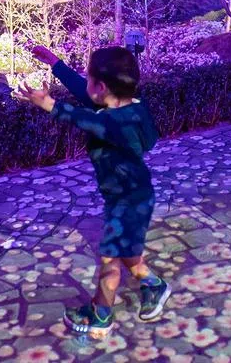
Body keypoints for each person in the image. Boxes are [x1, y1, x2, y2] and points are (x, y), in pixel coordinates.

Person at [19, 43, 170, 339]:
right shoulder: (133, 108)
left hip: (127, 203)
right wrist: (56, 63)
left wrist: (46, 103)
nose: (85, 82)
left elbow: (81, 117)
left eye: (89, 78)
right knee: (128, 256)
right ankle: (154, 285)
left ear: (101, 87)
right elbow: (86, 96)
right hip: (134, 195)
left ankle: (101, 315)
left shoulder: (108, 123)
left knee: (109, 260)